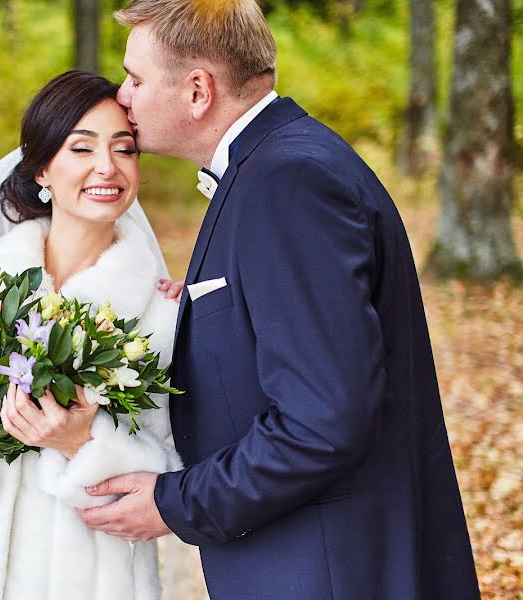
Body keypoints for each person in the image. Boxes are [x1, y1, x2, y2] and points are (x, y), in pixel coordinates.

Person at [78, 2, 482, 599]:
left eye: (136, 78)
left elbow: (324, 420)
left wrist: (177, 503)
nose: (124, 95)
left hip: (327, 570)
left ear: (198, 90)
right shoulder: (275, 167)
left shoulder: (287, 182)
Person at [0, 71, 187, 600]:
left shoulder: (161, 317)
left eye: (125, 149)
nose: (107, 168)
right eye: (81, 148)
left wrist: (83, 444)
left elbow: (176, 467)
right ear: (43, 167)